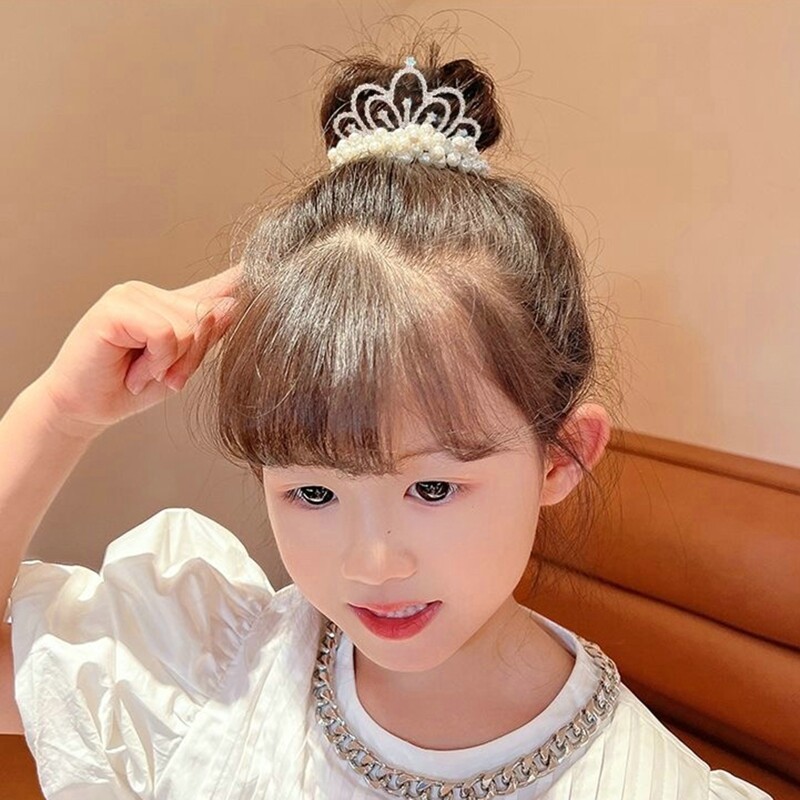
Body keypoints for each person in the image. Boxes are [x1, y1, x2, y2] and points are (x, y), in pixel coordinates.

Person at [0, 37, 773, 800]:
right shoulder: (217, 671)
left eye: (432, 489)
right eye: (313, 493)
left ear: (561, 456)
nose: (371, 564)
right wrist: (58, 413)